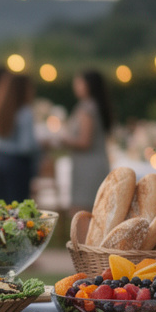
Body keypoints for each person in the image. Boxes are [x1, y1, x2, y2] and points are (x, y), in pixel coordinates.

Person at [61, 69, 114, 211]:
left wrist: (62, 140)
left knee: (83, 212)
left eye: (79, 82)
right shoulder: (97, 105)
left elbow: (85, 141)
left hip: (88, 168)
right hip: (94, 164)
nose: (75, 86)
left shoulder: (87, 108)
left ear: (88, 85)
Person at [0, 72, 40, 203]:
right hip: (17, 166)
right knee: (17, 210)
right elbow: (26, 147)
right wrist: (41, 146)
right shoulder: (25, 112)